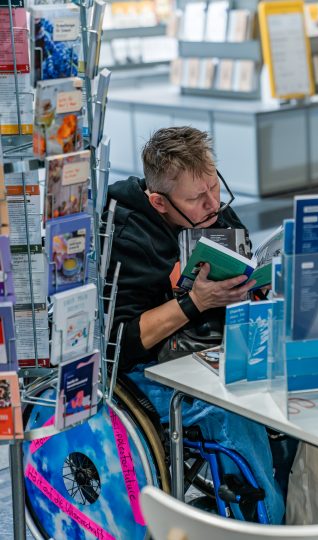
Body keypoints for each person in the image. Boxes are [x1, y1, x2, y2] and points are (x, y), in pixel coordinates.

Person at [104, 126, 284, 524]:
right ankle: (268, 523)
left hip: (218, 348)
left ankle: (303, 499)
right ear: (159, 201)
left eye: (214, 187)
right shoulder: (128, 237)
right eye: (197, 198)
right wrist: (195, 302)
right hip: (150, 370)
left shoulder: (215, 212)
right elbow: (121, 342)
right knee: (235, 409)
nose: (212, 204)